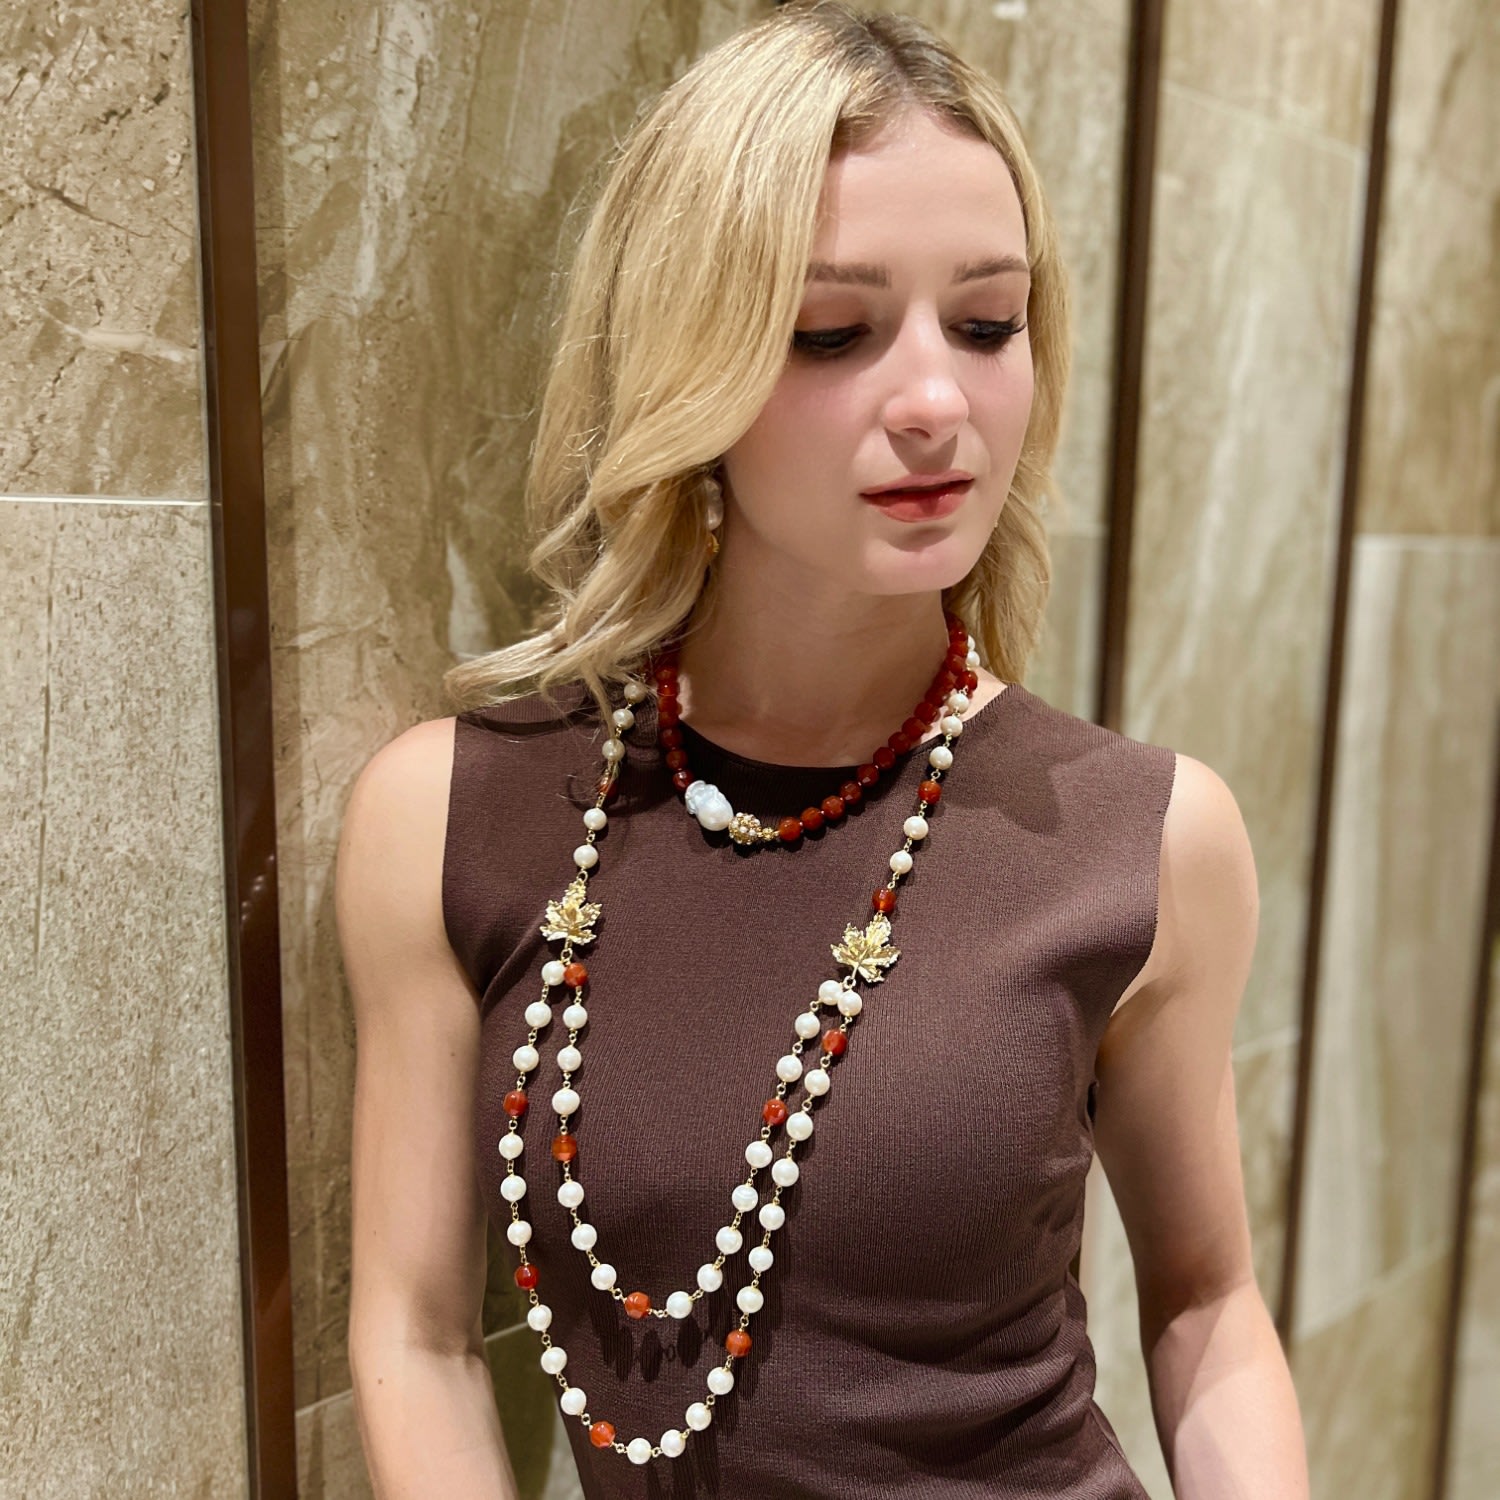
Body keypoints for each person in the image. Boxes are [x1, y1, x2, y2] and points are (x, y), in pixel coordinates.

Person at [335, 4, 1310, 1496]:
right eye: (831, 333)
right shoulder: (457, 818)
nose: (937, 402)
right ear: (689, 359)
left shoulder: (1146, 836)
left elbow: (1208, 1305)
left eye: (987, 324)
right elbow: (416, 1337)